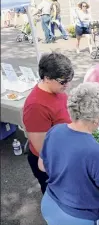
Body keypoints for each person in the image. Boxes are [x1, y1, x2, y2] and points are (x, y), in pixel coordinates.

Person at [39, 82, 99, 225]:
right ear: (96, 118)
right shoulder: (97, 152)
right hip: (78, 218)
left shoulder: (55, 131)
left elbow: (42, 166)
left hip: (50, 204)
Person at [23, 53, 74, 194]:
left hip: (63, 153)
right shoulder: (36, 106)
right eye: (63, 82)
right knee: (55, 195)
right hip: (51, 162)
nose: (67, 85)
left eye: (69, 80)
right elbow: (42, 148)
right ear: (46, 78)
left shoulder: (56, 89)